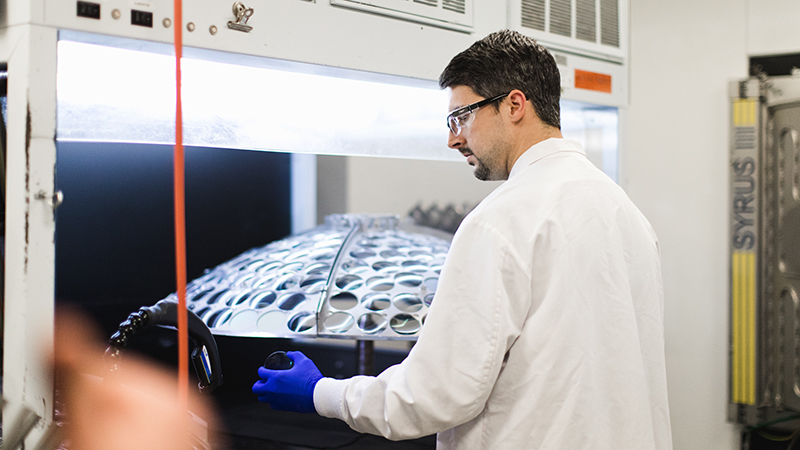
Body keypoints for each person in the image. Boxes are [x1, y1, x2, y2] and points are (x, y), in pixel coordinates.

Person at [253, 29, 673, 450]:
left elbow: (435, 394)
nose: (453, 138)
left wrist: (320, 393)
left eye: (463, 116)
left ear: (514, 105)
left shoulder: (500, 221)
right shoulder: (626, 213)